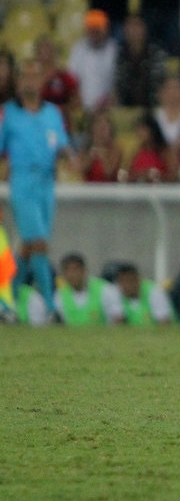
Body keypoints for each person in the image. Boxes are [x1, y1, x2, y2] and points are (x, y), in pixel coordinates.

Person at [0, 59, 78, 324]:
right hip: (22, 181)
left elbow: (63, 145)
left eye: (34, 77)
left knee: (27, 248)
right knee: (40, 244)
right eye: (24, 77)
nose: (29, 82)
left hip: (47, 183)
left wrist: (72, 157)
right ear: (18, 82)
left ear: (41, 81)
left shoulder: (52, 114)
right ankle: (49, 307)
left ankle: (5, 305)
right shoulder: (7, 113)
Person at [41, 252, 122, 327]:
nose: (73, 275)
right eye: (68, 271)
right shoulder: (59, 295)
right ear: (63, 275)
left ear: (84, 270)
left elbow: (117, 319)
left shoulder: (105, 289)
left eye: (76, 270)